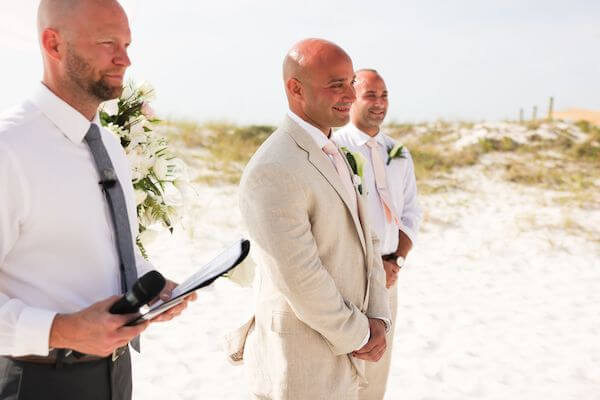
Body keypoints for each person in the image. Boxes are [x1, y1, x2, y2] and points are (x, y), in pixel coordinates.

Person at [0, 1, 194, 399]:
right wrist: (61, 329)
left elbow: (111, 247)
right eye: (108, 42)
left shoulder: (108, 143)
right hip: (37, 381)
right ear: (54, 44)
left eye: (126, 43)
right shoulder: (8, 149)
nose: (125, 59)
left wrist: (150, 286)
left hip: (116, 376)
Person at [227, 38, 391, 400]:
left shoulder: (333, 150)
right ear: (295, 88)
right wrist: (360, 335)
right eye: (337, 84)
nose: (350, 93)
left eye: (351, 82)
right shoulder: (274, 167)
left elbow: (369, 240)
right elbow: (299, 275)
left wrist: (379, 316)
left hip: (349, 356)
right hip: (300, 365)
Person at [333, 69, 422, 399]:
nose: (380, 103)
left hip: (388, 279)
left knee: (376, 371)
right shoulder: (334, 148)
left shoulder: (399, 152)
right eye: (371, 95)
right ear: (351, 97)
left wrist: (395, 259)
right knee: (341, 368)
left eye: (384, 95)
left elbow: (411, 213)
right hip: (347, 275)